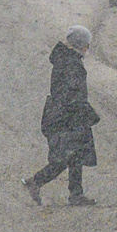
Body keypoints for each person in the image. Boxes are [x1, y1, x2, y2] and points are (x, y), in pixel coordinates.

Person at [26, 26, 101, 206]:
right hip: (66, 116)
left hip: (61, 113)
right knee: (66, 157)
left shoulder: (64, 59)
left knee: (75, 155)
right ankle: (36, 181)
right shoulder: (72, 64)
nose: (87, 48)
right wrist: (85, 112)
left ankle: (75, 194)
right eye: (86, 44)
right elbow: (72, 93)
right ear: (81, 45)